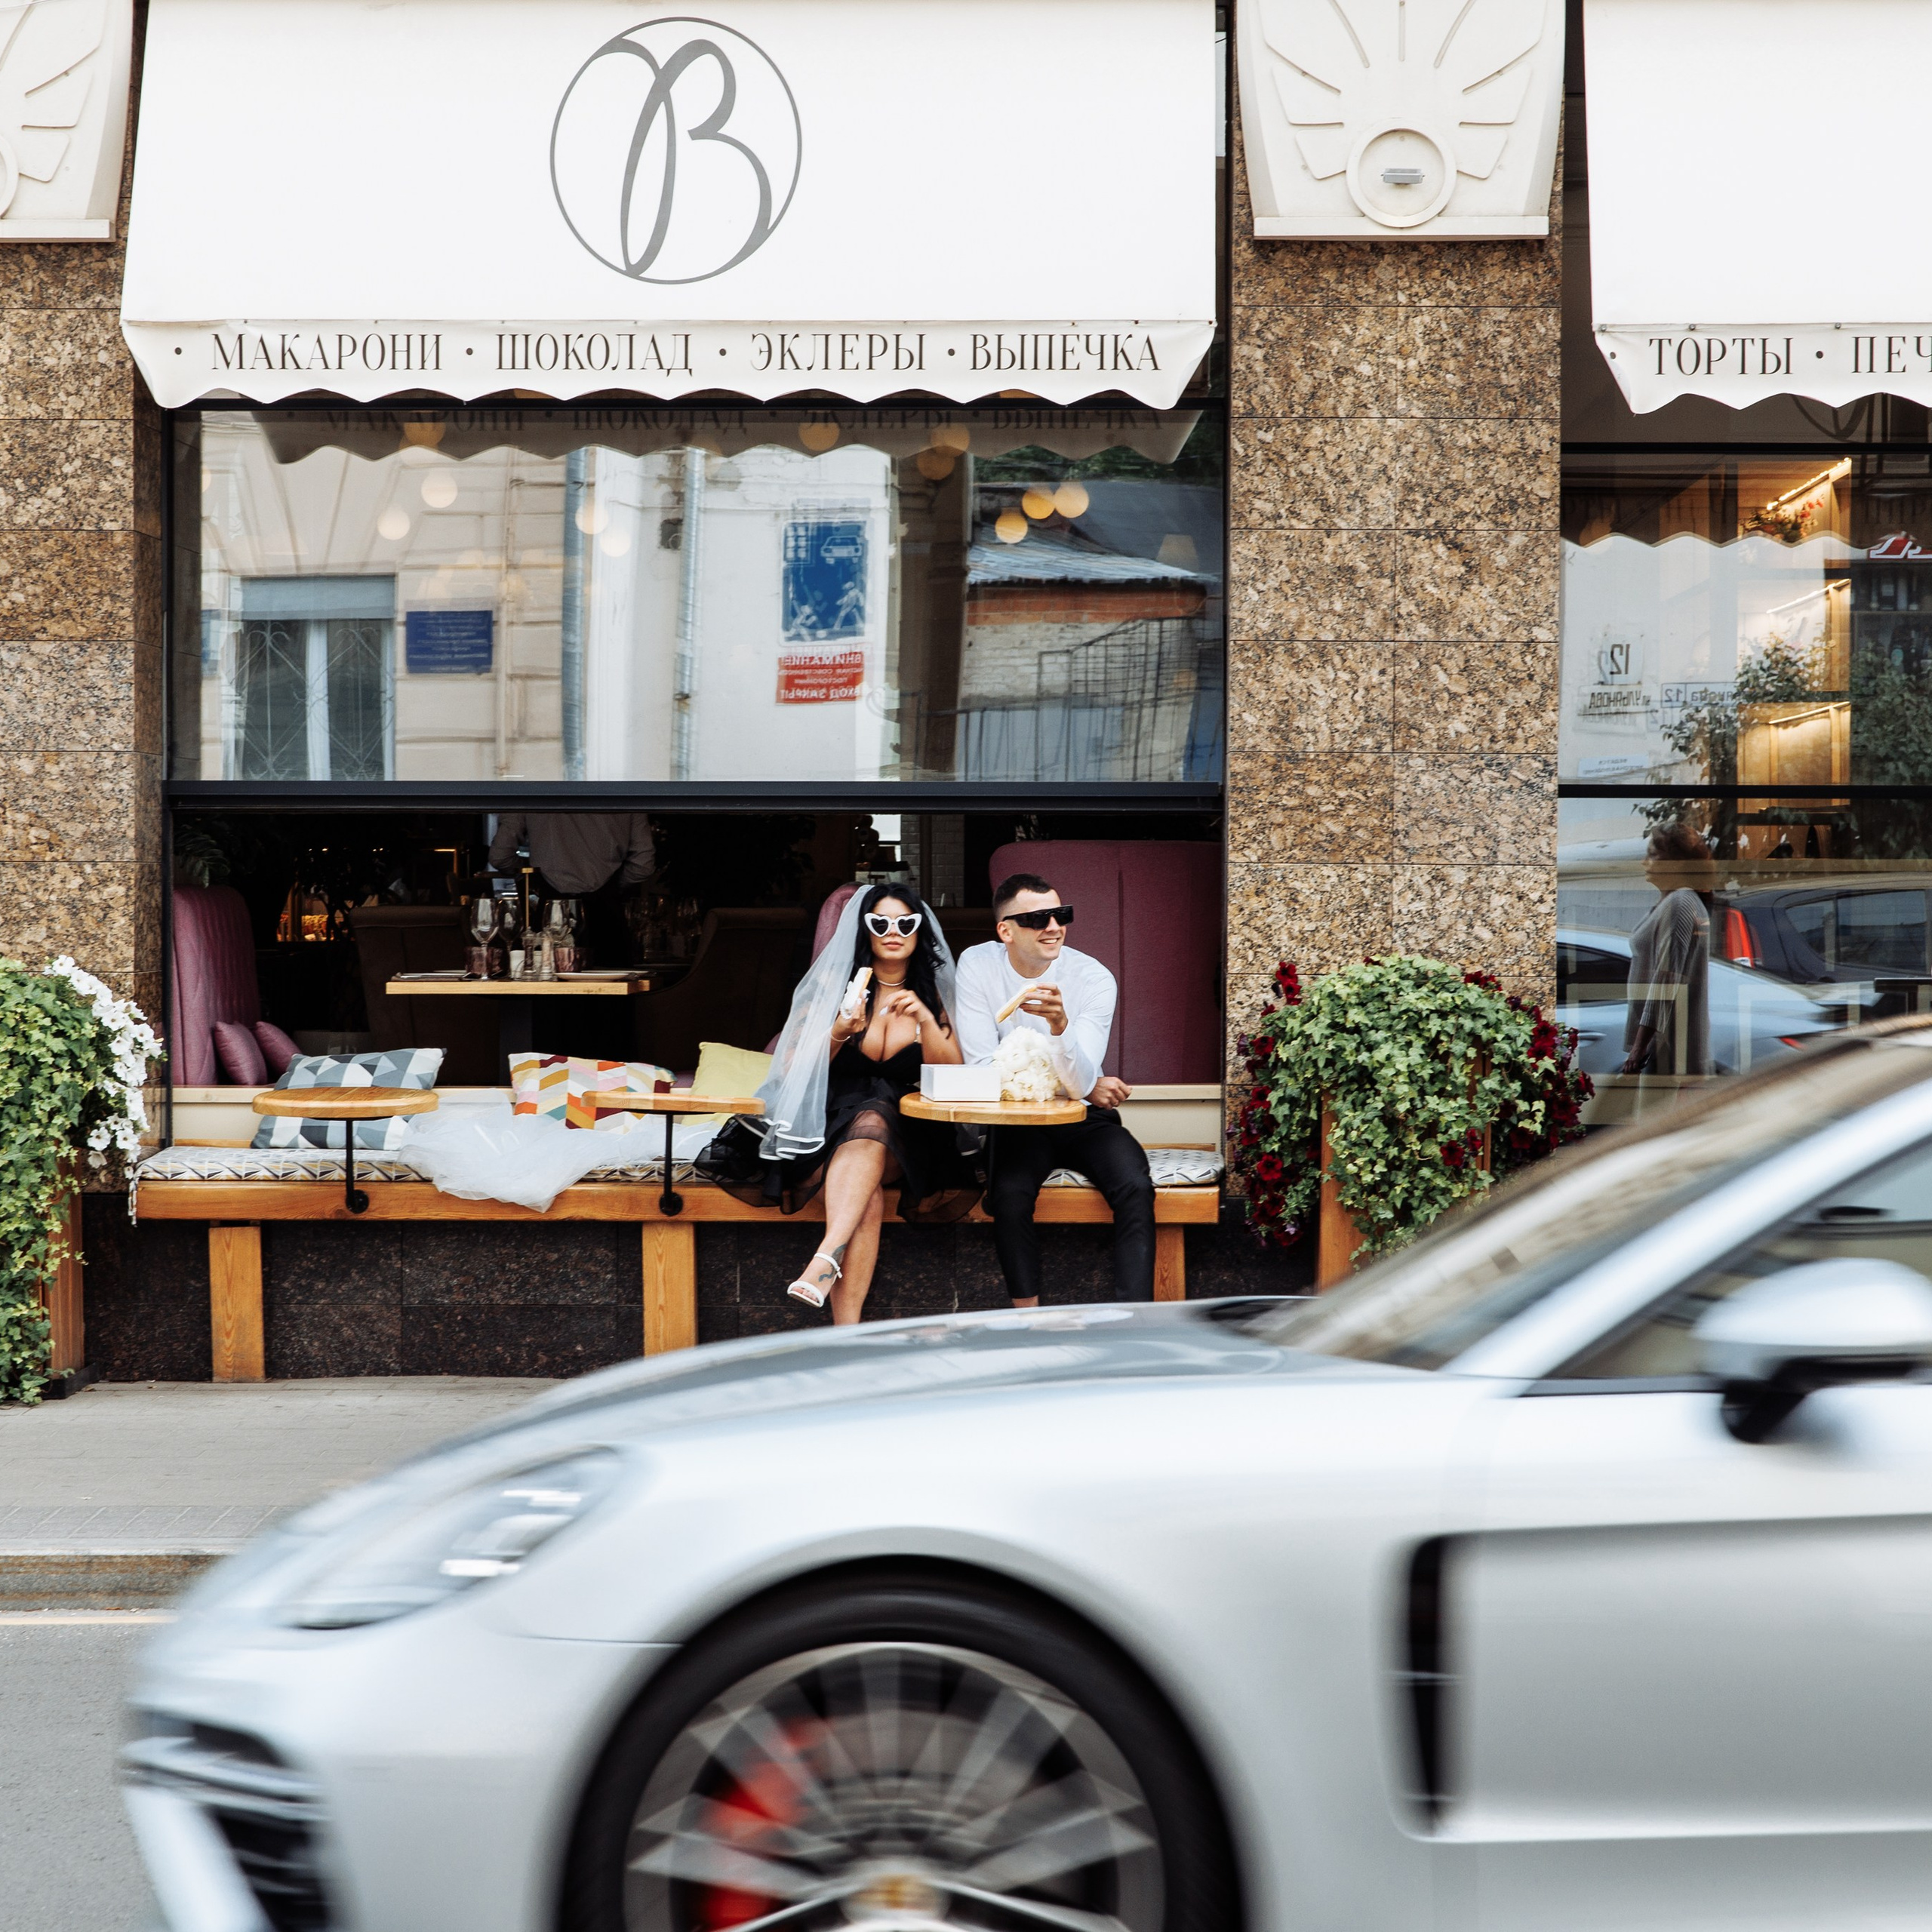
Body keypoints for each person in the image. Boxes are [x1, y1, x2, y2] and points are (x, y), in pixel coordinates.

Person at [702, 884, 977, 1324]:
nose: (893, 932)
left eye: (905, 923)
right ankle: (844, 1326)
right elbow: (794, 1073)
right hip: (826, 1128)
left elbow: (955, 1076)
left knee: (877, 1116)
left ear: (919, 930)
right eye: (880, 922)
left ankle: (826, 1259)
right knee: (864, 1189)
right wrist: (839, 1031)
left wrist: (925, 1018)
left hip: (910, 1134)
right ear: (864, 929)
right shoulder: (834, 986)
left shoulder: (935, 992)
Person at [955, 872, 1155, 1305]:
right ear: (1005, 931)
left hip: (1084, 1115)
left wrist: (1060, 1027)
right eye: (1038, 918)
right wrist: (1079, 1077)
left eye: (1061, 914)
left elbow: (1080, 1085)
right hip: (1016, 1121)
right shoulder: (976, 965)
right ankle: (1028, 1320)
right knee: (1008, 1195)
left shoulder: (1093, 978)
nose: (1053, 926)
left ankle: (1135, 1317)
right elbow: (982, 1066)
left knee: (1135, 1185)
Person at [486, 813, 655, 965]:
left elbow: (501, 856)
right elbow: (643, 863)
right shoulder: (624, 790)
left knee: (551, 991)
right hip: (606, 914)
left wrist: (530, 876)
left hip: (550, 912)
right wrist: (611, 887)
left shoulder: (531, 788)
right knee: (611, 991)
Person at [1620, 822, 1715, 1076]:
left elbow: (1666, 978)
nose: (1644, 862)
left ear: (1675, 862)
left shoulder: (1681, 903)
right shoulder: (1670, 902)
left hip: (1672, 1052)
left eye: (1652, 854)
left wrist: (1639, 1047)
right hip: (1660, 1048)